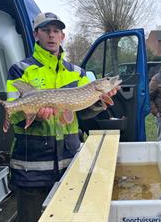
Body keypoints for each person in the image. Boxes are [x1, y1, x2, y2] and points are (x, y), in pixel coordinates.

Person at [6, 12, 118, 222]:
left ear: (62, 36)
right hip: (32, 167)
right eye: (46, 30)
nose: (51, 35)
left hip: (69, 163)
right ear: (36, 34)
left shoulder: (77, 72)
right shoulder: (20, 70)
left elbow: (82, 114)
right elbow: (15, 117)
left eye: (56, 31)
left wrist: (101, 101)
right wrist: (37, 116)